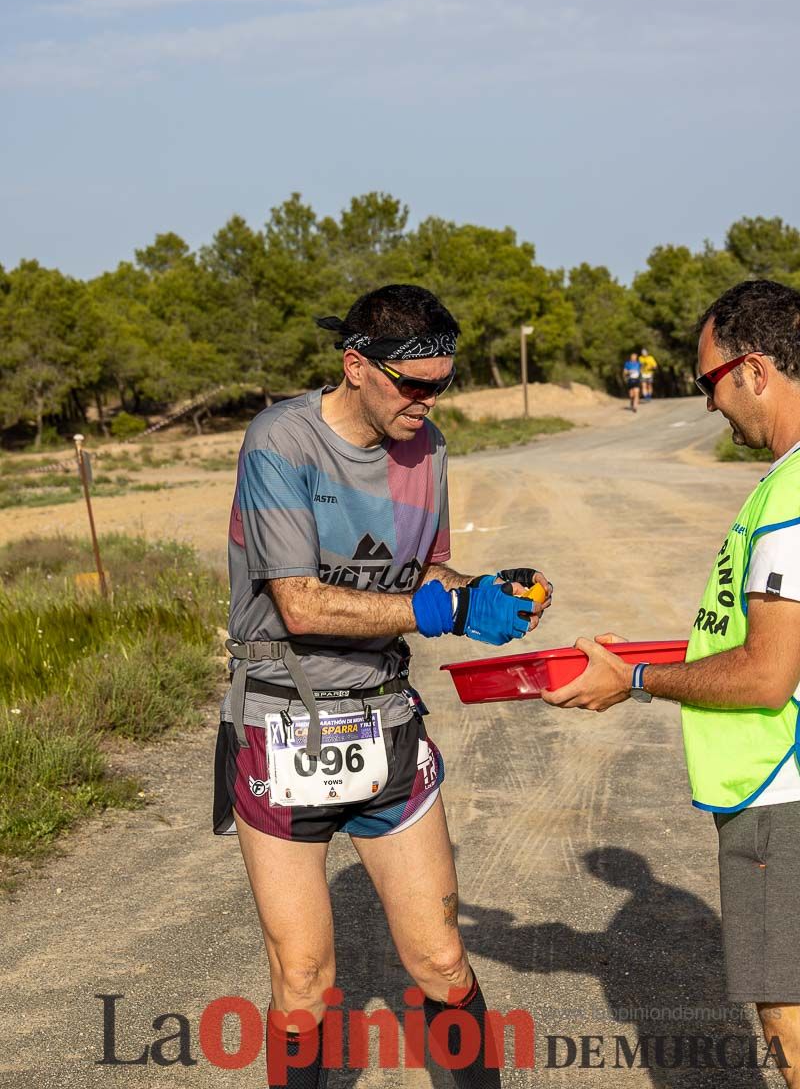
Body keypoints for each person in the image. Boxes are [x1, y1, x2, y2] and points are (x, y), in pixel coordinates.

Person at [214, 283, 553, 1088]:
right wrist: (439, 609)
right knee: (305, 978)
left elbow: (427, 573)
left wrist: (484, 593)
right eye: (414, 385)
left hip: (386, 716)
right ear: (355, 365)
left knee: (441, 960)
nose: (429, 402)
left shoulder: (428, 449)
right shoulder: (280, 441)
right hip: (281, 724)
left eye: (442, 384)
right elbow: (297, 602)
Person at [544, 279, 800, 1086]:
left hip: (779, 787)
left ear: (754, 370)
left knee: (790, 1017)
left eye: (709, 382)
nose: (710, 406)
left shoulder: (790, 495)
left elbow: (765, 676)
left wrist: (640, 680)